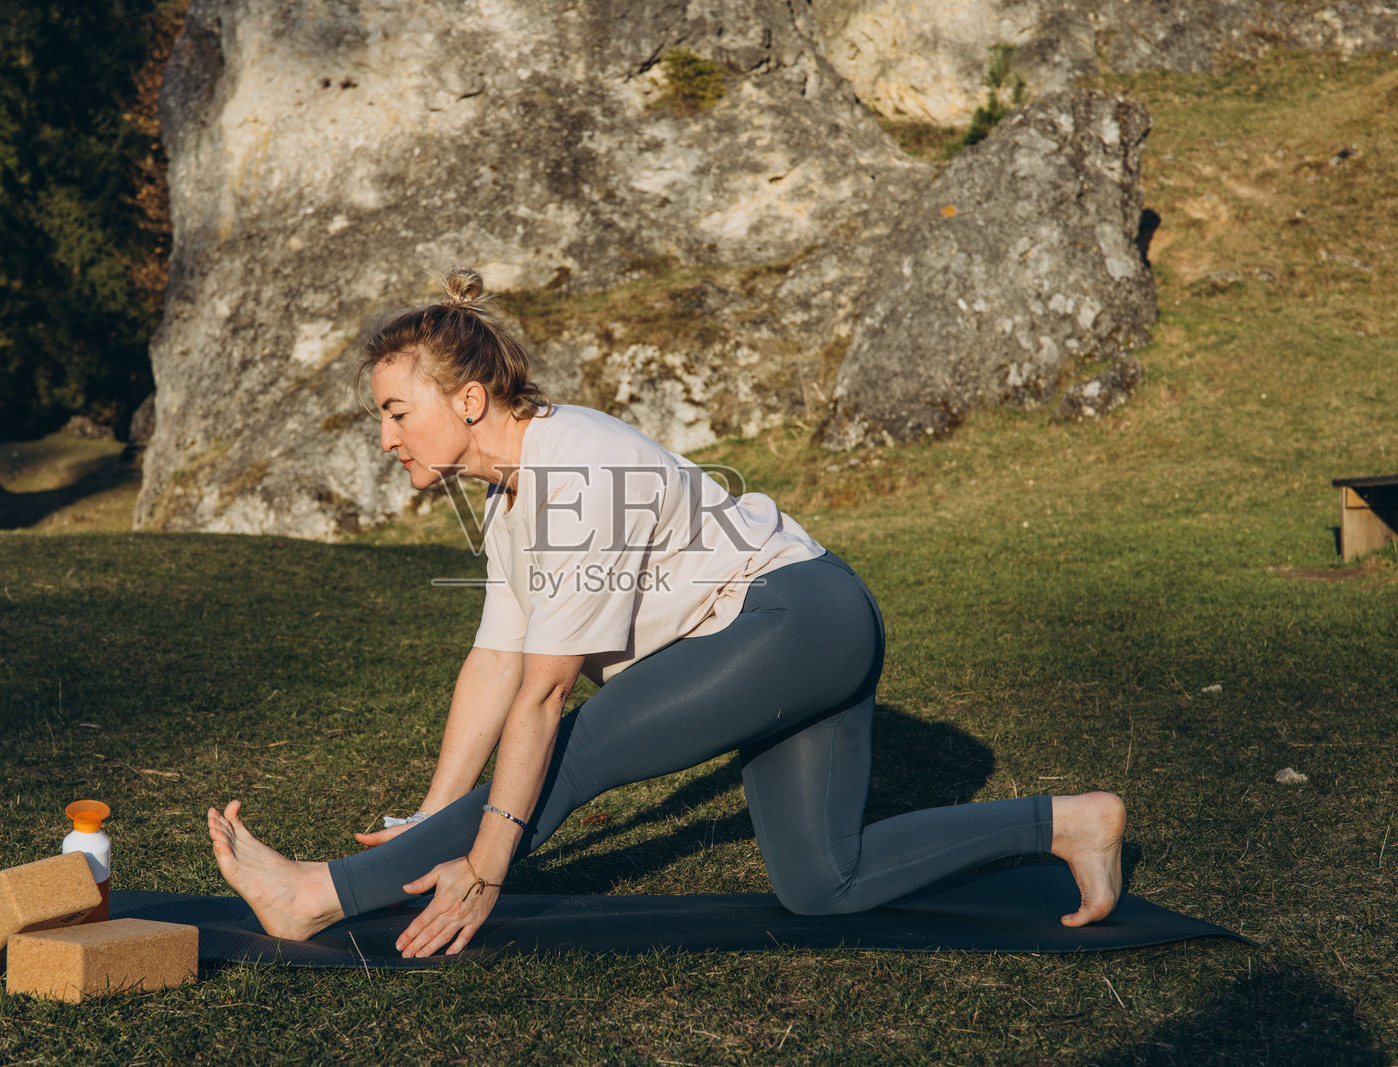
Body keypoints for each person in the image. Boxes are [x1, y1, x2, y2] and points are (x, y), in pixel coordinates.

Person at [207, 267, 1126, 959]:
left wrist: (487, 861)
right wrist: (433, 814)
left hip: (799, 617)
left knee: (579, 749)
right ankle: (1068, 823)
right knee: (823, 882)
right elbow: (494, 661)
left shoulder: (574, 469)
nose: (386, 437)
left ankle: (315, 895)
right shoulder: (509, 499)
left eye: (397, 412)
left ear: (470, 399)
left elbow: (542, 700)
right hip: (784, 637)